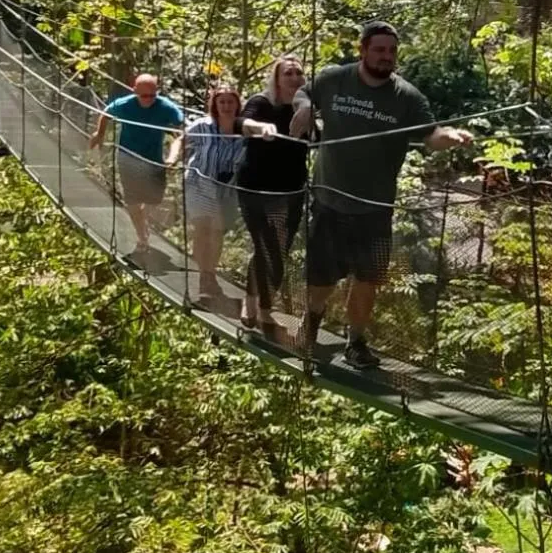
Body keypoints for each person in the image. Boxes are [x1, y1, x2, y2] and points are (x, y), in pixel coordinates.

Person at [291, 21, 474, 368]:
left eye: (391, 51)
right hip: (329, 200)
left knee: (367, 279)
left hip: (375, 209)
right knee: (321, 277)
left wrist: (448, 138)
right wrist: (303, 107)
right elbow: (304, 92)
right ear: (363, 50)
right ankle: (311, 321)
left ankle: (355, 341)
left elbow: (431, 134)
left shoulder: (407, 97)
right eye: (379, 49)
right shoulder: (334, 78)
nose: (386, 56)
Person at [236, 55, 308, 330]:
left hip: (291, 189)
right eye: (287, 73)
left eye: (297, 73)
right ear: (277, 79)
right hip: (256, 186)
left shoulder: (306, 109)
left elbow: (319, 139)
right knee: (267, 246)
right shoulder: (262, 103)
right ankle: (254, 303)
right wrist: (260, 128)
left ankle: (263, 305)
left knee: (280, 250)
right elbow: (244, 122)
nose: (293, 78)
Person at [88, 73, 184, 261]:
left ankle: (143, 226)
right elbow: (106, 113)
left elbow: (181, 131)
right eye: (143, 96)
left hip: (153, 160)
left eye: (152, 95)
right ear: (135, 92)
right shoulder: (125, 104)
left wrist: (173, 155)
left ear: (157, 92)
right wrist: (99, 134)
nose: (148, 100)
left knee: (153, 200)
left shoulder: (166, 107)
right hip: (128, 156)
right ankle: (142, 238)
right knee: (132, 200)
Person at [167, 84, 244, 300]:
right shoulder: (204, 125)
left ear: (237, 104)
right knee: (203, 228)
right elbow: (182, 139)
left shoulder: (244, 129)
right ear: (215, 104)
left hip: (227, 189)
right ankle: (204, 277)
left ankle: (209, 272)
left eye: (231, 102)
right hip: (199, 183)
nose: (226, 106)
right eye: (222, 102)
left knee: (217, 232)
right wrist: (173, 158)